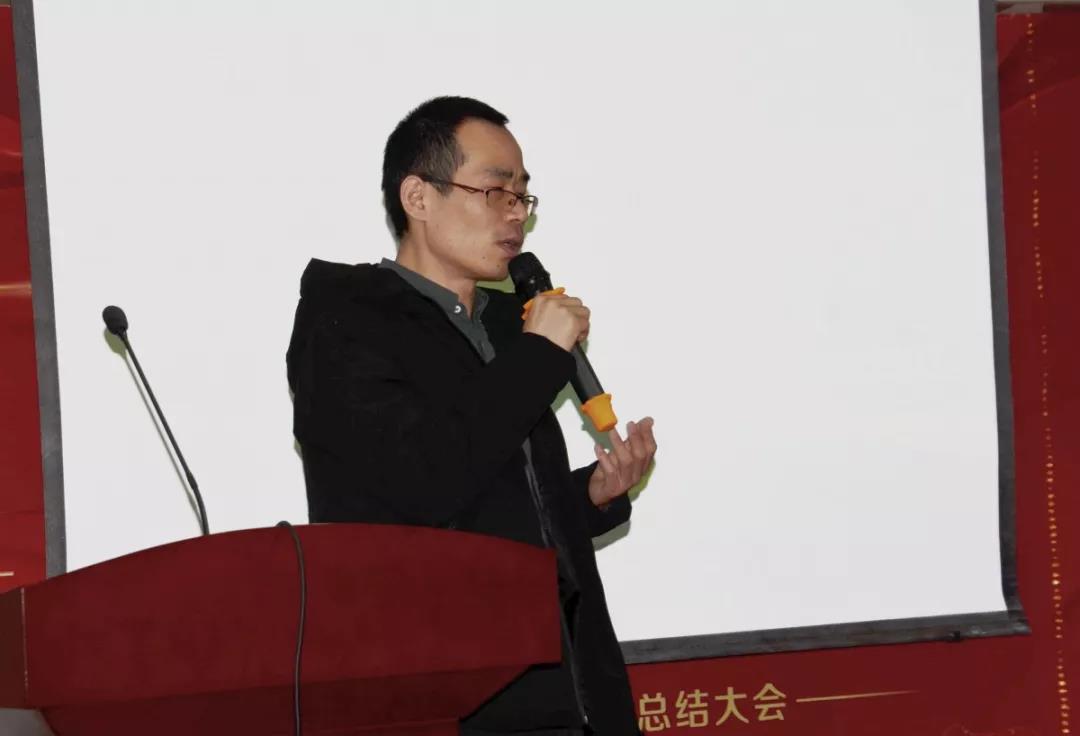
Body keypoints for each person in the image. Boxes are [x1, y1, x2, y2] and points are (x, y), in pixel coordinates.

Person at [286, 96, 657, 735]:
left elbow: (494, 506)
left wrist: (589, 495)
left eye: (523, 195)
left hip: (567, 691)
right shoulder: (345, 321)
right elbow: (421, 486)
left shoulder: (508, 328)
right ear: (418, 197)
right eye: (494, 191)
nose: (516, 213)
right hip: (449, 700)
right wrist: (539, 356)